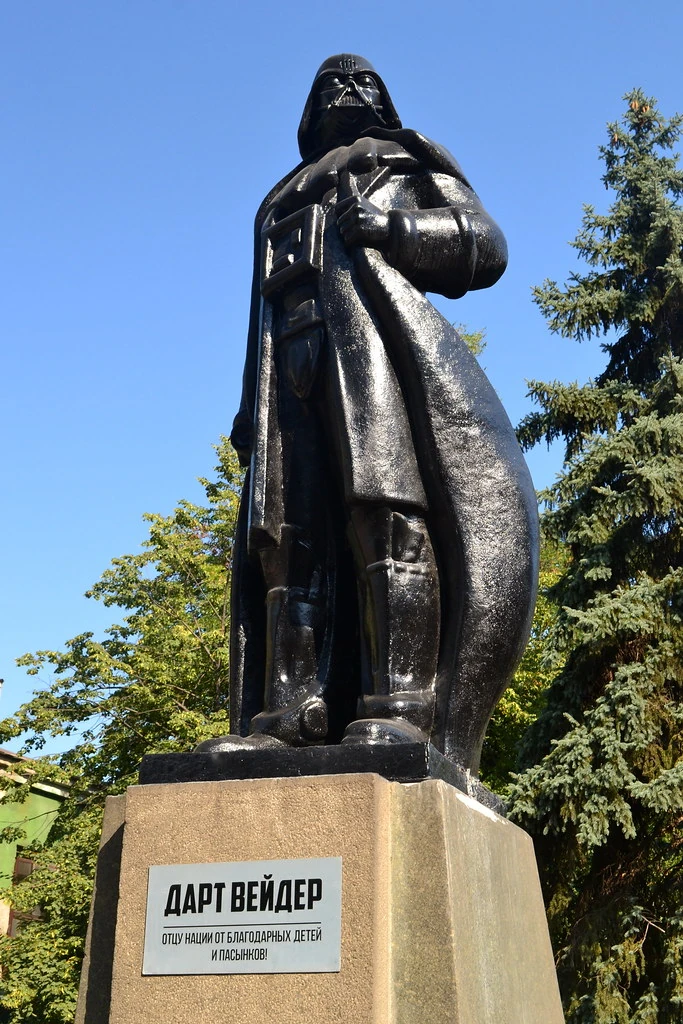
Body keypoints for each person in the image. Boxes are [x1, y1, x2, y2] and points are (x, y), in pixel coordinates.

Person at [198, 54, 539, 775]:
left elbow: (484, 245)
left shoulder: (402, 159)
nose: (345, 91)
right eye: (329, 84)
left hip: (371, 358)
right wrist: (246, 405)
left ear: (383, 103)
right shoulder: (276, 200)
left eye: (361, 83)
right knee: (284, 542)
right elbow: (258, 309)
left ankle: (402, 707)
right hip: (283, 374)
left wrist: (392, 227)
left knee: (383, 512)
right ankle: (287, 713)